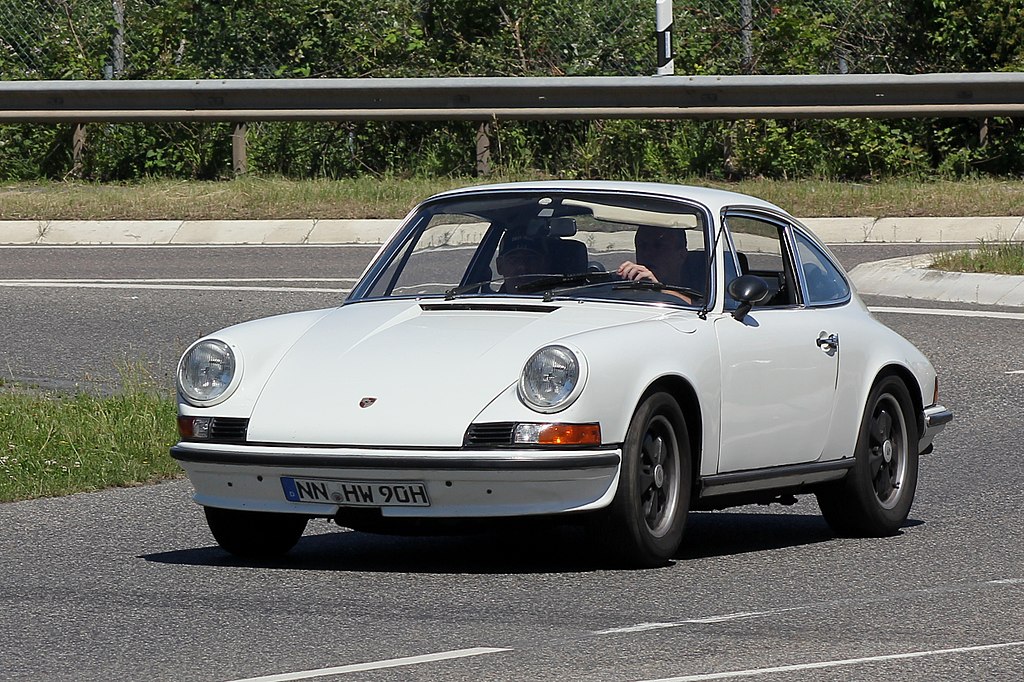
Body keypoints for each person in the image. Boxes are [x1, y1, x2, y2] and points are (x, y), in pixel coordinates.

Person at [617, 225, 701, 303]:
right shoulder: (627, 283)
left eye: (658, 246)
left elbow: (700, 307)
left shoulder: (706, 279)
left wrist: (658, 288)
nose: (647, 254)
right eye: (643, 246)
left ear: (681, 254)